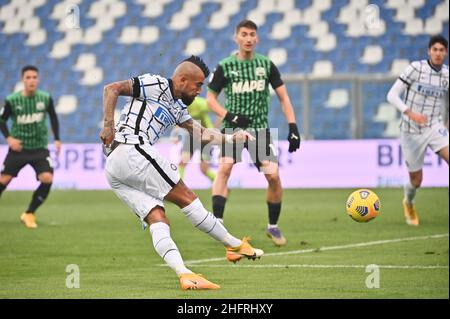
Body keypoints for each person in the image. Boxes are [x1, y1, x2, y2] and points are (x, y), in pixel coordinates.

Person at [100, 55, 264, 290]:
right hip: (131, 149)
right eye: (198, 85)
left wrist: (232, 137)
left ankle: (185, 275)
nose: (199, 91)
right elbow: (112, 88)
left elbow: (203, 134)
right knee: (187, 198)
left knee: (157, 216)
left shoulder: (177, 107)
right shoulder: (154, 84)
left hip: (116, 167)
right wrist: (108, 124)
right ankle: (233, 244)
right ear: (183, 80)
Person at [206, 20, 301, 246]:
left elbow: (283, 97)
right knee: (225, 168)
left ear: (257, 39)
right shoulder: (225, 66)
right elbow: (210, 99)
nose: (248, 38)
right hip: (232, 129)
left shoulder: (266, 65)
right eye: (244, 34)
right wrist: (230, 116)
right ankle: (217, 222)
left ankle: (273, 226)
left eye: (252, 35)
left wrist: (293, 126)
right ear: (236, 38)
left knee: (274, 177)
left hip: (259, 130)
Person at [387, 35, 449, 226]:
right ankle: (409, 202)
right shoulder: (416, 68)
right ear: (428, 51)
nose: (438, 53)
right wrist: (411, 113)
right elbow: (391, 95)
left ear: (446, 53)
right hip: (411, 130)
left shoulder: (447, 74)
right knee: (416, 180)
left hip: (434, 126)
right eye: (435, 49)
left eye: (442, 50)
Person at [0, 65, 61, 229]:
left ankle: (29, 213)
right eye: (28, 77)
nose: (31, 80)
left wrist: (57, 139)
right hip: (18, 148)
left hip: (39, 148)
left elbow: (53, 117)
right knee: (3, 180)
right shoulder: (12, 100)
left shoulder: (45, 98)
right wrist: (9, 138)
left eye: (34, 77)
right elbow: (2, 120)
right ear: (23, 80)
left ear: (38, 79)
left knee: (47, 178)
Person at [175, 96, 217, 183]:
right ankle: (179, 187)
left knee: (204, 170)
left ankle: (219, 181)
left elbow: (219, 114)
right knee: (182, 163)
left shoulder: (202, 103)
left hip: (206, 138)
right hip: (192, 136)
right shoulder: (180, 104)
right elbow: (178, 118)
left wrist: (214, 129)